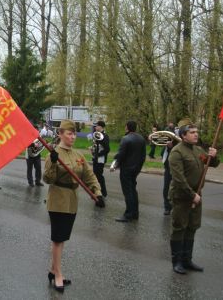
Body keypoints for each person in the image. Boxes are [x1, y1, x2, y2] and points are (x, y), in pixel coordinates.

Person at [43, 120, 103, 293]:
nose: (73, 137)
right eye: (69, 133)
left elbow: (89, 175)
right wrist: (53, 162)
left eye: (74, 133)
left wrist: (97, 193)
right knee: (58, 239)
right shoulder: (52, 153)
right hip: (58, 200)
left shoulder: (78, 155)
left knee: (62, 239)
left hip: (72, 201)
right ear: (60, 134)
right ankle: (58, 275)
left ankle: (52, 270)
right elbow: (47, 179)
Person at [168, 119, 219, 274]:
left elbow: (212, 163)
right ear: (184, 136)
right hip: (182, 197)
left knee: (192, 227)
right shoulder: (177, 152)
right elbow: (179, 179)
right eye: (192, 132)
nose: (196, 135)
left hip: (196, 196)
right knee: (179, 228)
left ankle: (187, 260)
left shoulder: (198, 151)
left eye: (197, 132)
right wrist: (192, 196)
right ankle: (176, 262)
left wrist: (214, 156)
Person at [113, 120, 146, 222]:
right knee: (133, 190)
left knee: (128, 192)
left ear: (127, 127)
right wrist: (139, 167)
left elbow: (121, 154)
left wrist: (116, 161)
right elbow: (143, 156)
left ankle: (128, 214)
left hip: (126, 169)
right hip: (136, 168)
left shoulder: (125, 139)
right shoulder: (141, 138)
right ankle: (135, 213)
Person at [90, 120, 110, 198]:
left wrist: (98, 154)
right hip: (96, 158)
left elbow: (107, 149)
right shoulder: (97, 135)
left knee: (99, 176)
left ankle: (103, 192)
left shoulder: (105, 136)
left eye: (97, 126)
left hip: (100, 159)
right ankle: (97, 191)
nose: (95, 127)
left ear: (101, 127)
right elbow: (97, 146)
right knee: (95, 175)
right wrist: (93, 149)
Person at [162, 122, 177, 215]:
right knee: (166, 188)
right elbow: (162, 155)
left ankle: (175, 206)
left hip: (176, 169)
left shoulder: (177, 143)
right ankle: (167, 207)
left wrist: (171, 148)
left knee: (175, 189)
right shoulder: (166, 144)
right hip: (168, 168)